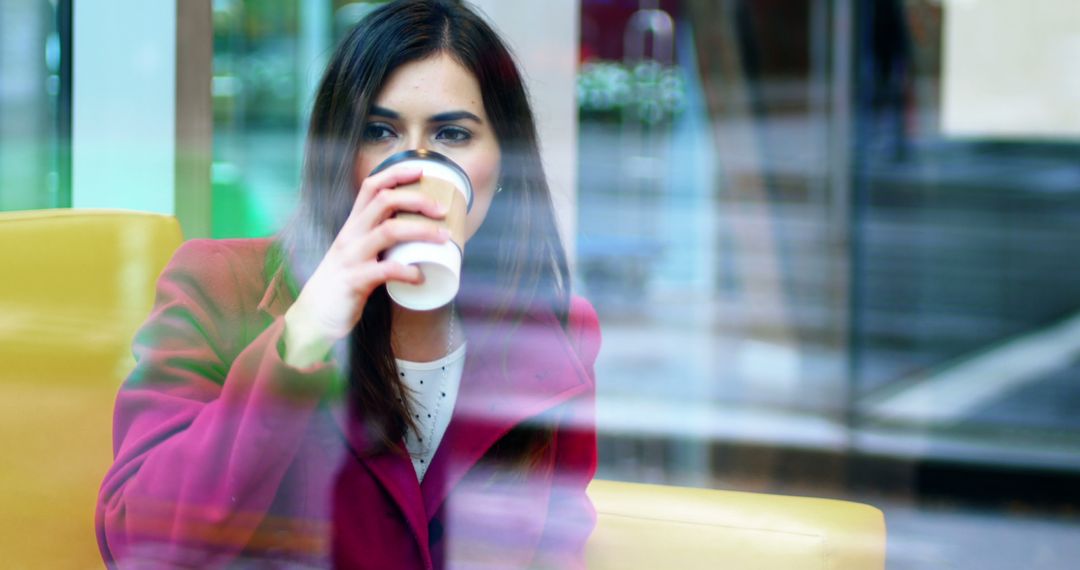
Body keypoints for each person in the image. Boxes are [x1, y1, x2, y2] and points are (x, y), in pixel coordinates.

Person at [95, 1, 601, 568]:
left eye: (453, 134)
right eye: (381, 132)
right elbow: (137, 541)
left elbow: (556, 550)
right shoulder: (218, 288)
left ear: (504, 164)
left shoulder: (548, 332)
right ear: (342, 157)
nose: (413, 167)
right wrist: (305, 332)